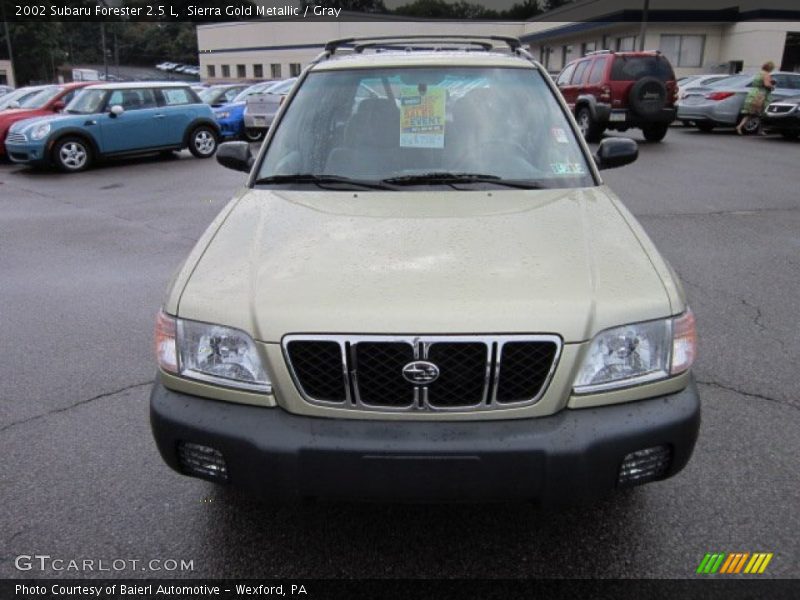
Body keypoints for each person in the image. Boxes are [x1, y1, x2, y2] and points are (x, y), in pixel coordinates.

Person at [736, 61, 775, 135]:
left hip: (753, 92)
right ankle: (760, 130)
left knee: (750, 113)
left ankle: (740, 126)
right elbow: (766, 84)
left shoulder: (759, 73)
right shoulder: (766, 74)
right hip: (761, 94)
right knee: (762, 113)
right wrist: (772, 86)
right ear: (770, 68)